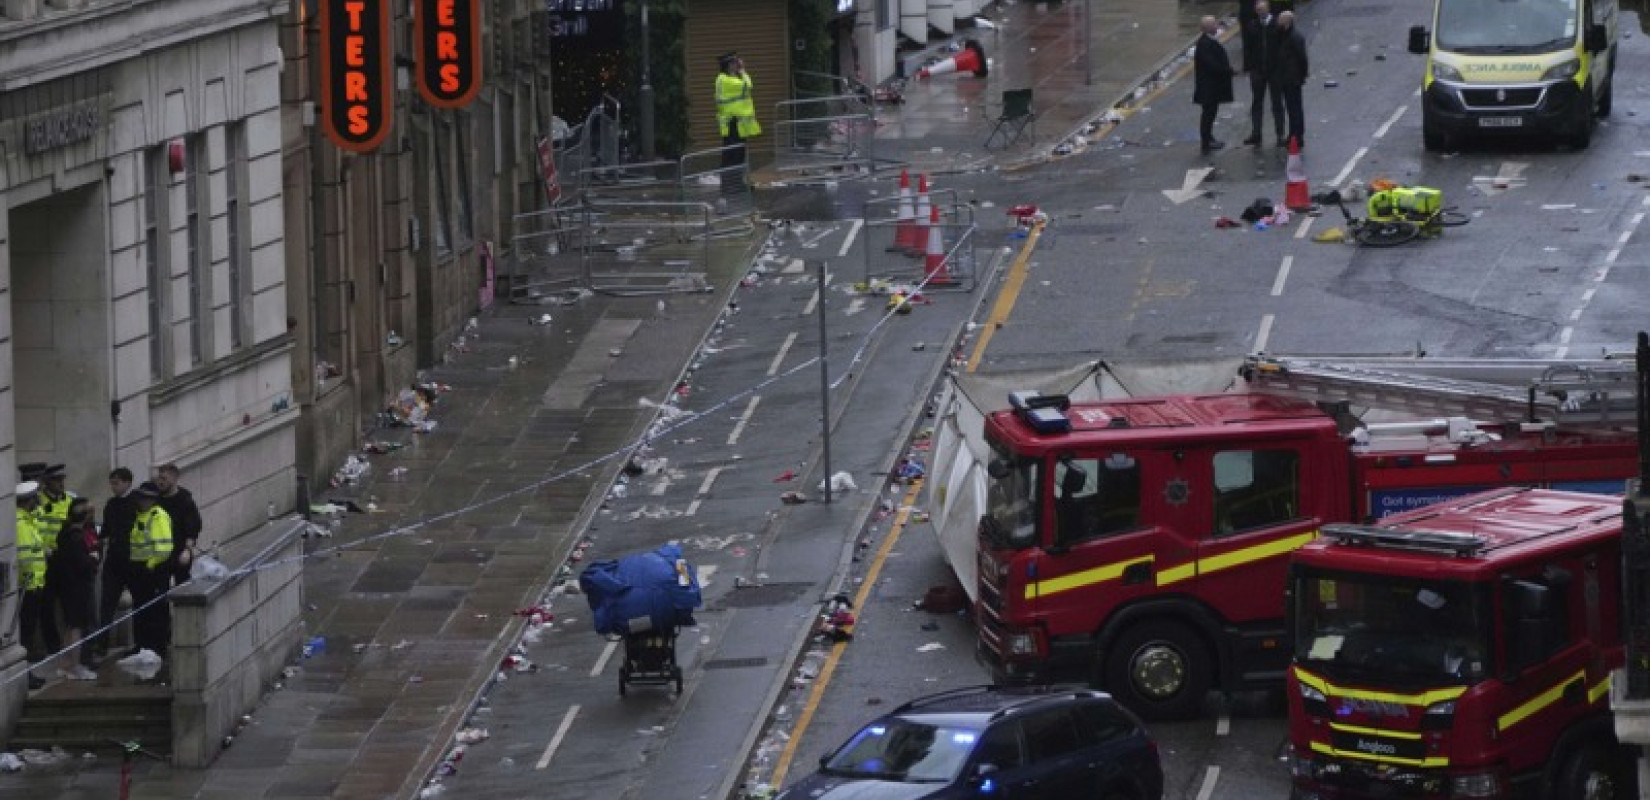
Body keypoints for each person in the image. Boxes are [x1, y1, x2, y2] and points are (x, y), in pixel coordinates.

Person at [49, 497, 100, 680]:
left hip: (66, 586)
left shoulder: (65, 532)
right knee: (76, 627)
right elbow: (82, 564)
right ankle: (74, 666)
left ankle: (66, 664)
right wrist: (93, 559)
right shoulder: (76, 537)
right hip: (76, 587)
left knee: (70, 626)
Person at [16, 481, 57, 690]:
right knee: (25, 635)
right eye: (34, 499)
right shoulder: (21, 524)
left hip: (34, 585)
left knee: (29, 634)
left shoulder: (28, 521)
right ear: (29, 501)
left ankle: (27, 673)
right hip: (26, 588)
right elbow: (24, 559)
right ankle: (25, 675)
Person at [128, 482, 175, 659]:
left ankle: (157, 647)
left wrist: (151, 564)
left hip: (154, 570)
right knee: (140, 609)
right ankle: (142, 645)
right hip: (139, 569)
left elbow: (164, 547)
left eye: (145, 498)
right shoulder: (141, 515)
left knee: (156, 610)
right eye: (140, 497)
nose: (142, 501)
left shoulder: (157, 516)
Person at [96, 467, 139, 659]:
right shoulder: (111, 505)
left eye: (117, 483)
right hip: (114, 560)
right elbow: (106, 530)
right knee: (107, 603)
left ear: (127, 482)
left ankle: (139, 642)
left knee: (139, 602)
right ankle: (102, 643)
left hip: (133, 559)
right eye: (112, 483)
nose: (113, 487)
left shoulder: (136, 503)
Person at [714, 53, 761, 189]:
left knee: (738, 154)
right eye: (735, 63)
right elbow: (747, 86)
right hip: (732, 122)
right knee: (733, 155)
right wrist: (743, 71)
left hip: (737, 123)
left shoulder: (729, 79)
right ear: (728, 66)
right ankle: (731, 184)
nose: (737, 65)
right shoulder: (724, 80)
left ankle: (736, 183)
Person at [1241, 1, 1285, 146]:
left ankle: (1280, 134)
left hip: (1275, 71)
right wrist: (1249, 68)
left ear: (1268, 9)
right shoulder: (1252, 26)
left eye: (1262, 10)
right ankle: (1256, 133)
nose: (1260, 13)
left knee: (1277, 103)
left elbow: (1283, 46)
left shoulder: (1277, 25)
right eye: (1258, 10)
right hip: (1258, 71)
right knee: (1257, 103)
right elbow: (1247, 47)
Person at [1192, 16, 1236, 154]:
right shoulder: (1204, 44)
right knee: (1208, 114)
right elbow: (1212, 65)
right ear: (1207, 28)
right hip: (1208, 87)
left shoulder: (1209, 41)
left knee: (1210, 113)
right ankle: (1206, 141)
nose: (1216, 26)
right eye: (1213, 24)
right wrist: (1227, 71)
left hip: (1211, 86)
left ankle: (1209, 138)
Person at [154, 463, 202, 587]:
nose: (160, 482)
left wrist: (187, 550)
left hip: (180, 551)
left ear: (174, 478)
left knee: (183, 586)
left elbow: (193, 527)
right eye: (159, 478)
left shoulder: (185, 500)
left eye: (164, 478)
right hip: (160, 554)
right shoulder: (156, 500)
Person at [1269, 10, 1310, 147]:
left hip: (1292, 78)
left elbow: (1302, 57)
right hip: (1286, 77)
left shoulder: (1294, 37)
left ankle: (1297, 135)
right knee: (1292, 108)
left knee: (1294, 108)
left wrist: (1302, 74)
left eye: (1280, 19)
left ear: (1287, 22)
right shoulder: (1284, 35)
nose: (1277, 22)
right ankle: (1293, 134)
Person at [35, 463, 77, 534]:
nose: (61, 484)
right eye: (57, 481)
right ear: (47, 482)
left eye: (62, 480)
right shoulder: (38, 501)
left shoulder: (72, 498)